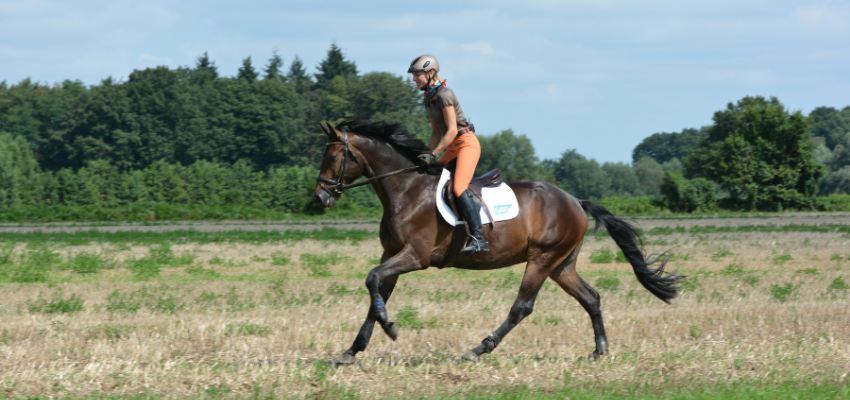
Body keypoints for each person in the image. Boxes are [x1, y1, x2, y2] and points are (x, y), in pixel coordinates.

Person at [408, 55, 489, 256]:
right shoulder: (428, 99)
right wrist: (426, 155)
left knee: (459, 187)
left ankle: (478, 238)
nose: (414, 79)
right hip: (452, 147)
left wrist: (434, 154)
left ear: (430, 73)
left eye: (417, 75)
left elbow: (452, 130)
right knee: (432, 181)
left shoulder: (444, 94)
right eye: (414, 75)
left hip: (467, 144)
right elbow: (437, 132)